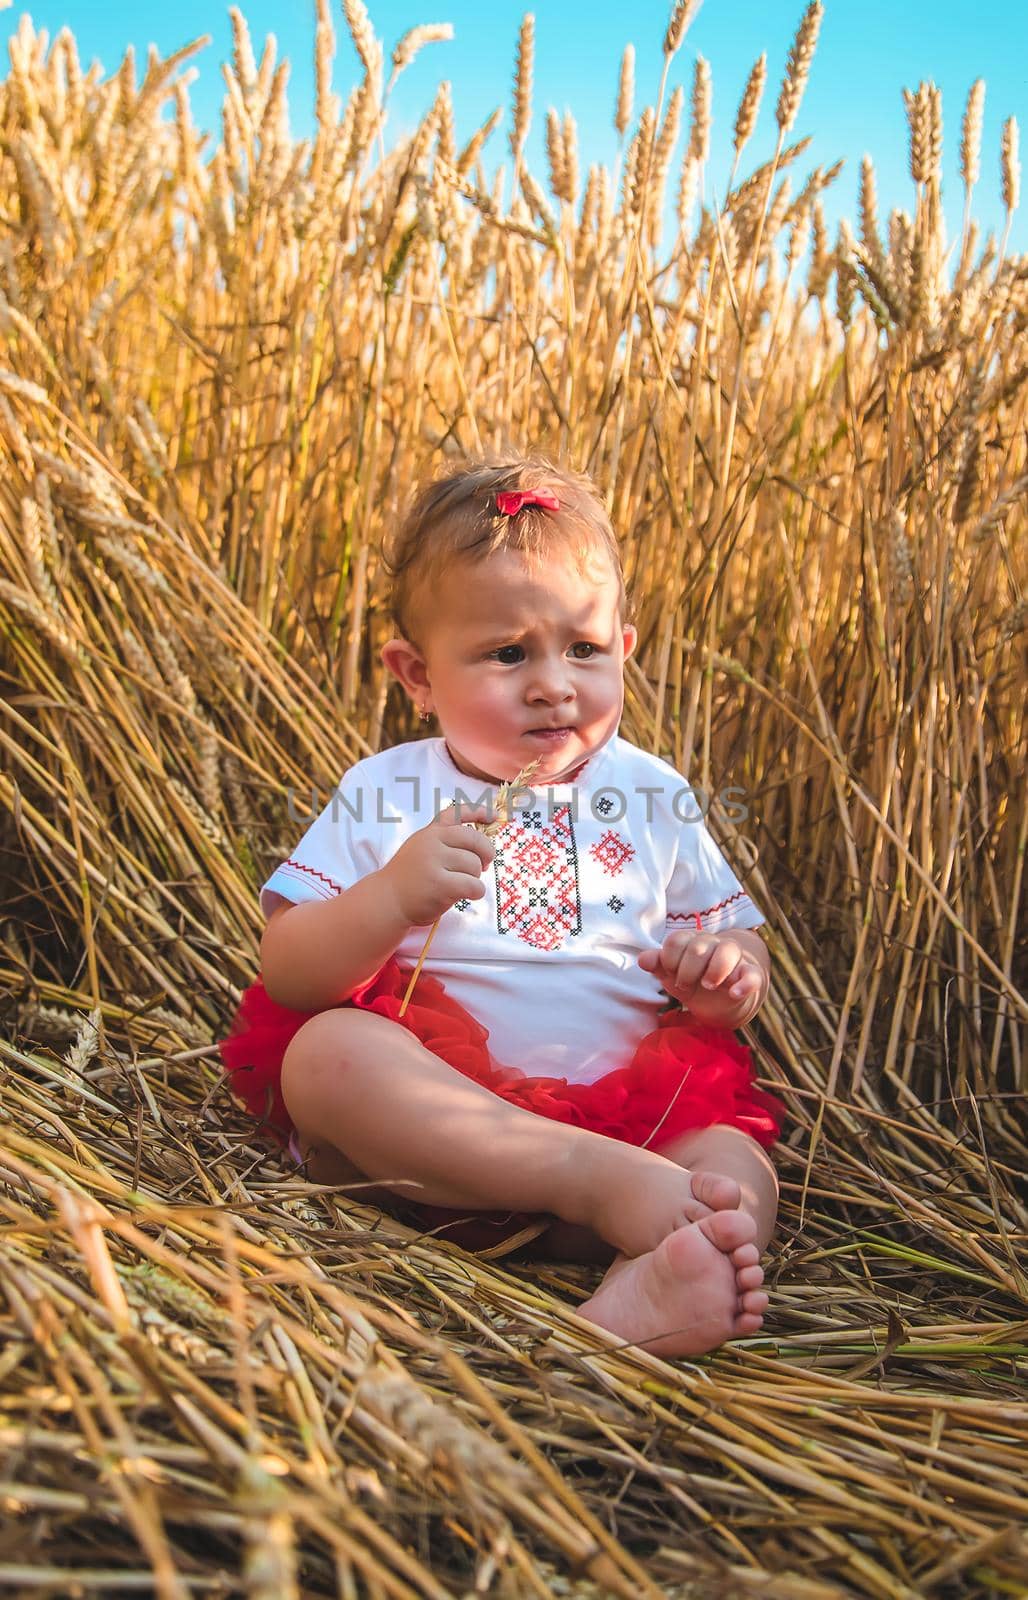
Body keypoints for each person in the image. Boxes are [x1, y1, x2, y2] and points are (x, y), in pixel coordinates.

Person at [219, 453, 785, 1358]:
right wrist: (391, 897)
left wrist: (725, 977)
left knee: (733, 1161)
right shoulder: (388, 791)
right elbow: (288, 971)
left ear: (624, 651)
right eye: (508, 653)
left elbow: (735, 941)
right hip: (429, 1161)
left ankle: (654, 1279)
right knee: (329, 1055)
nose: (553, 682)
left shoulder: (651, 792)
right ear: (416, 673)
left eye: (584, 650)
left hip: (626, 1117)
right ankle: (592, 1188)